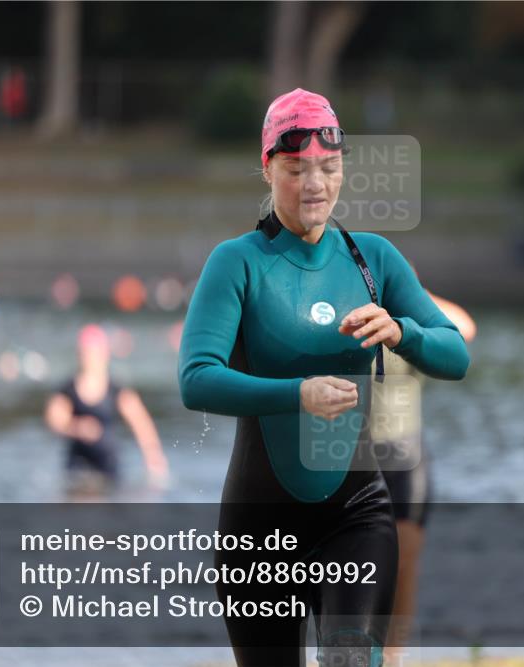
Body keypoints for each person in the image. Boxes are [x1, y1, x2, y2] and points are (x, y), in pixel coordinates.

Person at [178, 88, 470, 667]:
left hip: (356, 514)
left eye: (328, 168)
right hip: (259, 529)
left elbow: (455, 355)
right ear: (267, 168)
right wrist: (297, 395)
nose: (314, 184)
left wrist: (401, 331)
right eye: (296, 169)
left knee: (350, 660)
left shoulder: (373, 259)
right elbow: (196, 379)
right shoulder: (236, 263)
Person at [371, 289, 476, 660]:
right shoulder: (355, 315)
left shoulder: (413, 324)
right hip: (349, 456)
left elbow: (465, 328)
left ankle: (393, 657)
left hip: (405, 455)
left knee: (403, 567)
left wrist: (413, 293)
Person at [44, 324, 169, 497]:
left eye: (94, 353)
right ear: (80, 354)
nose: (90, 358)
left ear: (105, 354)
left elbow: (141, 423)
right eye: (86, 353)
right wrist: (76, 427)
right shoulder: (68, 389)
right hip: (77, 465)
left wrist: (154, 458)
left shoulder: (116, 389)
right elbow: (54, 419)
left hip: (108, 464)